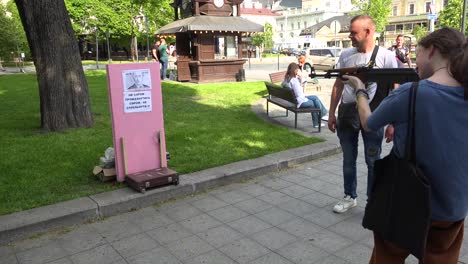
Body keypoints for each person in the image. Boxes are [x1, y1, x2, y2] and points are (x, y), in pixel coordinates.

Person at [343, 27, 467, 264]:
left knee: (387, 258)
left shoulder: (412, 92)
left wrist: (359, 90)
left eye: (417, 52)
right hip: (453, 207)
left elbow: (369, 123)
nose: (415, 61)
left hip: (406, 203)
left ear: (432, 50)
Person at [328, 15, 398, 214]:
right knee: (348, 160)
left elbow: (395, 90)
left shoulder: (386, 57)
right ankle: (350, 196)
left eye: (353, 32)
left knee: (373, 161)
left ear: (368, 32)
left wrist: (392, 122)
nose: (349, 35)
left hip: (374, 116)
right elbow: (337, 85)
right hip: (348, 115)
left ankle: (373, 202)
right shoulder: (346, 55)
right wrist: (331, 113)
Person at [281, 62, 328, 128]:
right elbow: (299, 93)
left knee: (315, 97)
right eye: (297, 70)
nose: (298, 71)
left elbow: (296, 91)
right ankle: (318, 121)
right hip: (298, 102)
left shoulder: (287, 79)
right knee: (314, 103)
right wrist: (301, 77)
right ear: (295, 71)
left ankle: (322, 115)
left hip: (293, 100)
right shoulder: (294, 80)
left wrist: (300, 79)